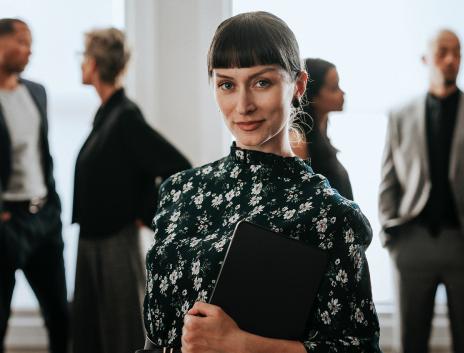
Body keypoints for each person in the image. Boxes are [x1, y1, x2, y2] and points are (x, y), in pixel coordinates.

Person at [142, 11, 381, 353]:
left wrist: (241, 345)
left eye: (262, 82)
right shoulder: (179, 191)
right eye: (227, 84)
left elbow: (361, 348)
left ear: (298, 85)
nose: (243, 106)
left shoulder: (329, 214)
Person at [379, 29, 464, 353]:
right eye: (443, 52)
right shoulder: (400, 115)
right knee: (411, 342)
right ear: (425, 59)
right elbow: (388, 181)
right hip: (412, 242)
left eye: (457, 52)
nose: (451, 60)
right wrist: (391, 234)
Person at [72, 28, 191, 353]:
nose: (80, 64)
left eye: (83, 57)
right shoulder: (106, 115)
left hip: (115, 243)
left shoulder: (124, 115)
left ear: (94, 64)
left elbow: (177, 167)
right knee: (89, 334)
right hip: (92, 241)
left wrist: (145, 212)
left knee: (122, 335)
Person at [0, 18, 69, 353]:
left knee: (60, 315)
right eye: (23, 42)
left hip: (43, 218)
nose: (30, 51)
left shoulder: (37, 91)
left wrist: (53, 205)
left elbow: (43, 154)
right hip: (7, 223)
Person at [293, 58, 353, 200]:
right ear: (313, 95)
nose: (342, 93)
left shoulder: (322, 131)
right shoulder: (298, 141)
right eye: (334, 88)